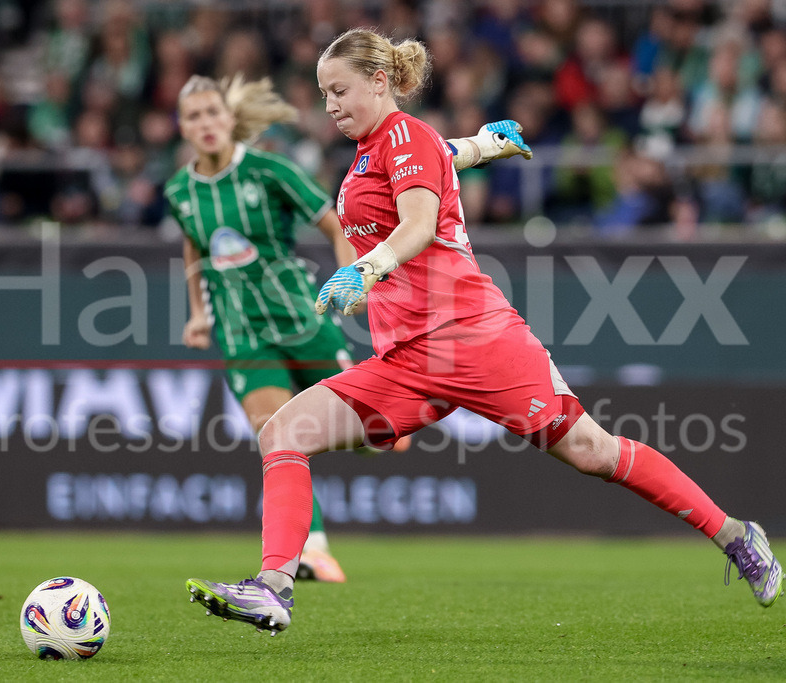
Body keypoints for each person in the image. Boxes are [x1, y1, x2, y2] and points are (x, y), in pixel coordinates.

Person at [185, 28, 786, 635]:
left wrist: (366, 269)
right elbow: (445, 154)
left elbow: (419, 221)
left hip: (475, 340)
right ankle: (274, 589)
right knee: (284, 431)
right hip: (407, 361)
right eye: (323, 95)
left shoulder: (403, 136)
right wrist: (484, 144)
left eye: (339, 90)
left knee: (591, 451)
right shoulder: (380, 149)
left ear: (379, 81)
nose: (330, 105)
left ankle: (736, 535)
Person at [165, 73, 529, 583]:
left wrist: (357, 277)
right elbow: (193, 246)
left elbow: (333, 222)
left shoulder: (270, 170)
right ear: (181, 127)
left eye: (212, 113)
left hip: (302, 318)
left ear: (230, 120)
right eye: (194, 116)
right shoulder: (179, 190)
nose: (205, 124)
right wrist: (199, 312)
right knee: (276, 431)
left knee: (369, 436)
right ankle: (312, 551)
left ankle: (388, 429)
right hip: (241, 331)